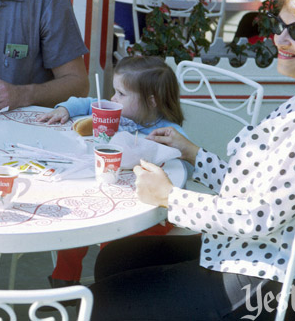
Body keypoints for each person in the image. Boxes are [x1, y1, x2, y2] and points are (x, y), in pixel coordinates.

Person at [90, 0, 295, 320]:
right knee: (117, 258)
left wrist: (169, 197)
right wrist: (192, 153)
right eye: (280, 26)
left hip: (270, 284)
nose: (281, 40)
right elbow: (263, 191)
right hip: (254, 254)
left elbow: (259, 216)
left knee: (103, 304)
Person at [37, 56, 186, 289]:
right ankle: (64, 280)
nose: (112, 99)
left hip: (147, 211)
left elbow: (184, 170)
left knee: (113, 241)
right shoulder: (117, 113)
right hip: (107, 188)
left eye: (121, 94)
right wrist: (66, 108)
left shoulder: (168, 133)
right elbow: (86, 103)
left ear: (151, 100)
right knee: (77, 222)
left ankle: (110, 288)